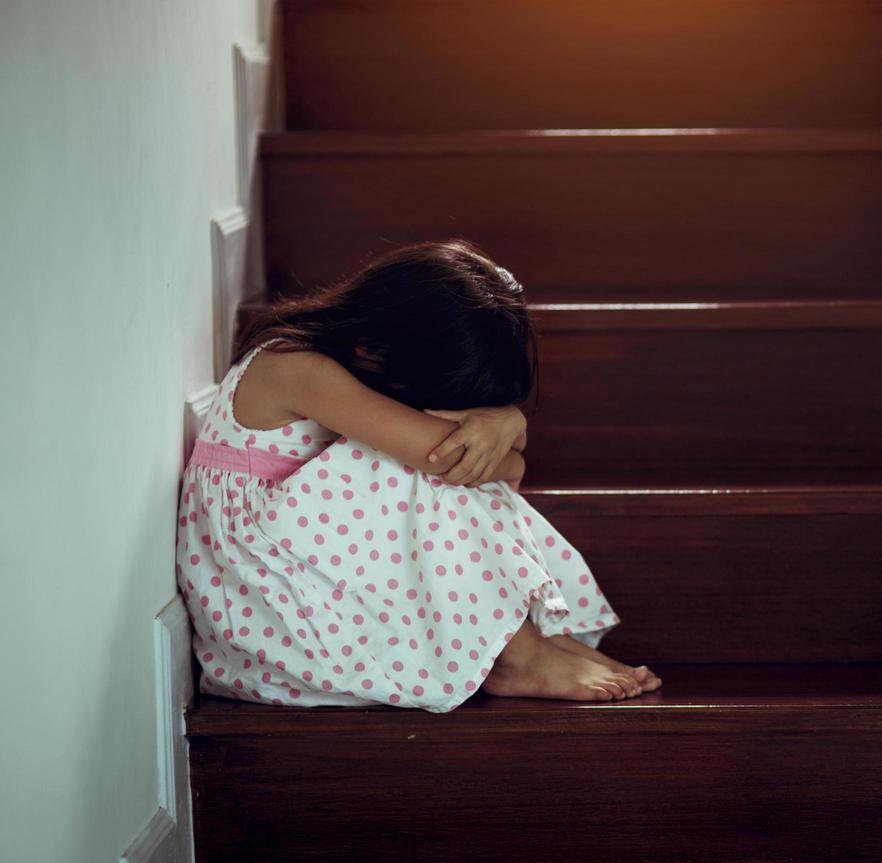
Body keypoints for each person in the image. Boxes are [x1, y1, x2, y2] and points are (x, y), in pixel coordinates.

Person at [174, 240, 659, 712]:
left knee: (437, 458)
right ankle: (518, 655)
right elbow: (476, 463)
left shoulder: (345, 358)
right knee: (432, 462)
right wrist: (506, 427)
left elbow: (504, 467)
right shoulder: (294, 368)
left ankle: (517, 639)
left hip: (305, 582)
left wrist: (508, 424)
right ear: (374, 350)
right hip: (271, 617)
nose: (457, 416)